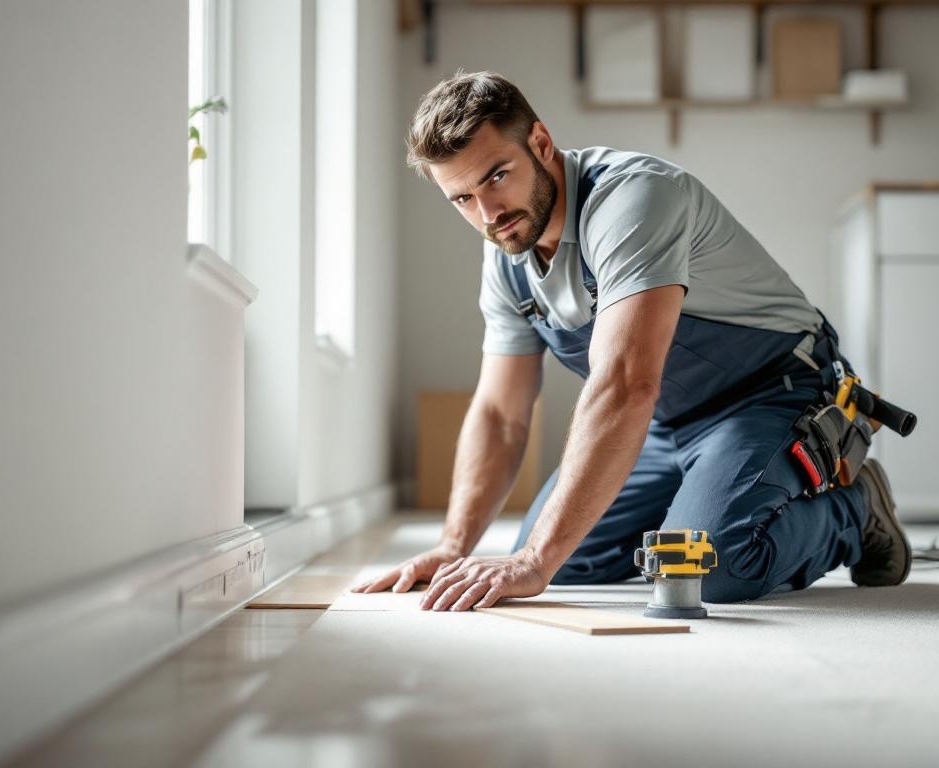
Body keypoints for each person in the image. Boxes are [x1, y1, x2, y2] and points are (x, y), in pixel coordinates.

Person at [352, 70, 911, 612]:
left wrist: (535, 561)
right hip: (665, 421)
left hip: (770, 393)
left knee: (707, 568)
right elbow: (500, 415)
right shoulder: (507, 255)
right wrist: (454, 546)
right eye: (462, 198)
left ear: (540, 143)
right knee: (566, 558)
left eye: (497, 176)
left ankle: (856, 511)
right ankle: (705, 499)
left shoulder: (632, 199)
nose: (488, 214)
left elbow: (625, 384)